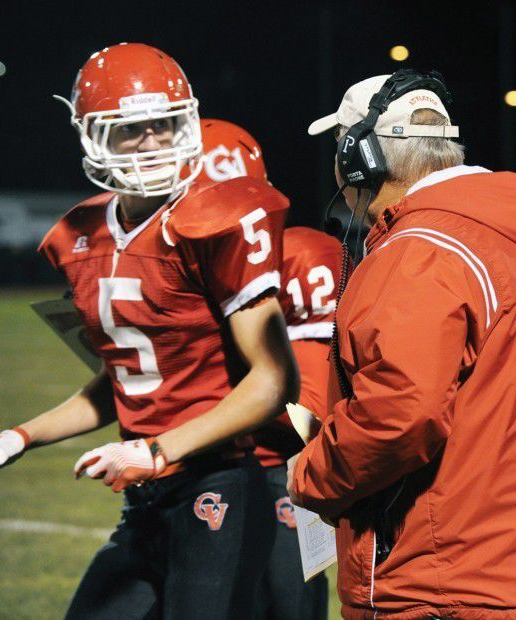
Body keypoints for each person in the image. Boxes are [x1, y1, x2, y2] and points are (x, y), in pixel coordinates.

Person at [288, 69, 516, 619]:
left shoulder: (418, 253)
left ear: (361, 156)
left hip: (455, 579)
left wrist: (311, 474)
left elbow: (398, 416)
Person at [0, 43, 299, 619]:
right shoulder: (79, 235)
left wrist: (158, 451)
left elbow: (272, 381)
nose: (153, 142)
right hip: (147, 497)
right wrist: (20, 436)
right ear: (92, 135)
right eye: (131, 129)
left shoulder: (217, 224)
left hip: (222, 485)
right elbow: (125, 379)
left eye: (164, 124)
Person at [194, 118, 336, 619]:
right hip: (219, 466)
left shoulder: (295, 254)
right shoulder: (182, 263)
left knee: (289, 602)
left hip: (280, 466)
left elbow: (308, 405)